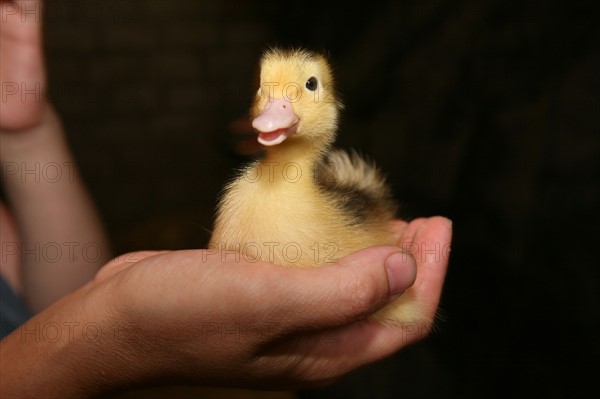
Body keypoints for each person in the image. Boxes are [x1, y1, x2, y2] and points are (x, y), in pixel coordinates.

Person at [0, 1, 452, 397]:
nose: (278, 104)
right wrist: (104, 340)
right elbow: (69, 322)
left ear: (330, 107)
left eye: (308, 89)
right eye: (266, 90)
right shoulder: (249, 196)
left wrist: (24, 134)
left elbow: (55, 303)